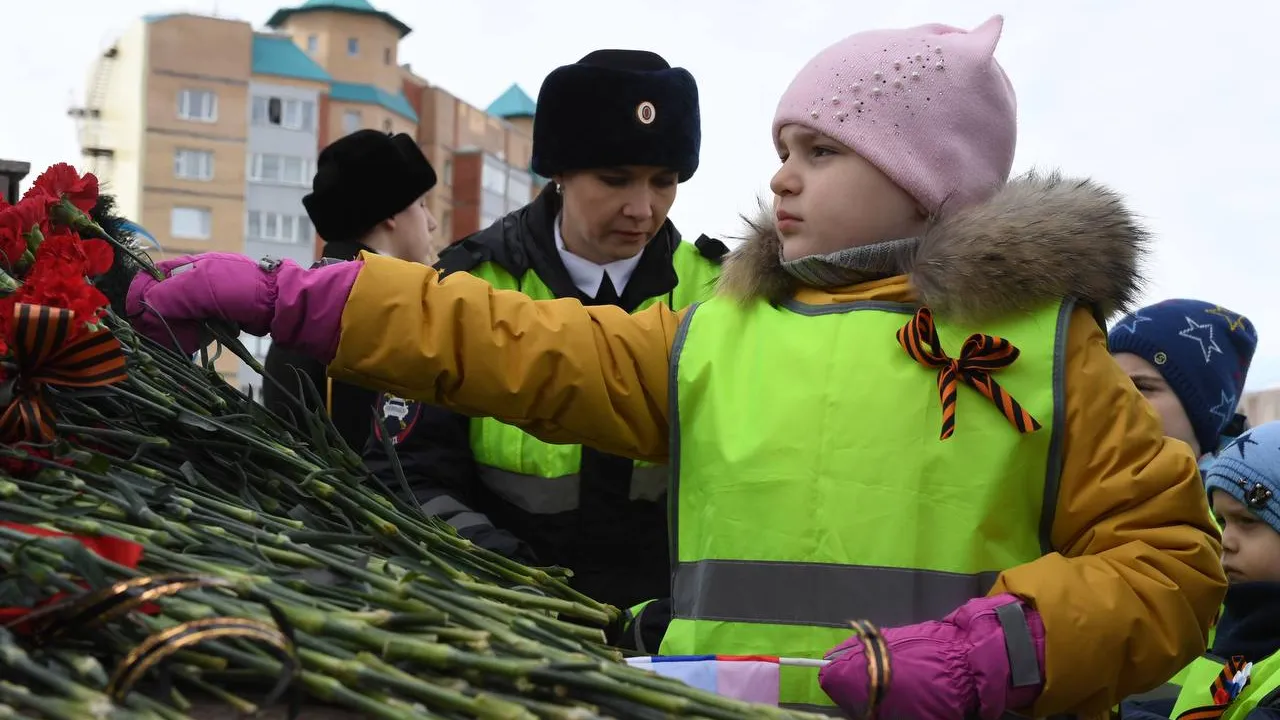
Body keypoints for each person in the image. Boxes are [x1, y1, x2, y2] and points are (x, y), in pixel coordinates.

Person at [124, 15, 1226, 717]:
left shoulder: (1047, 349)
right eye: (783, 151)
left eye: (822, 152)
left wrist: (1005, 651)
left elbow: (1168, 565)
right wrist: (291, 297)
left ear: (929, 180)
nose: (781, 181)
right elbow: (513, 346)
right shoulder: (722, 331)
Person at [360, 49, 726, 622]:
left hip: (674, 639)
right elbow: (405, 474)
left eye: (664, 181)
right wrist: (516, 583)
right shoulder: (463, 286)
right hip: (504, 623)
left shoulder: (721, 295)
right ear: (558, 172)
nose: (643, 207)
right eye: (615, 179)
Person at [1108, 299, 1258, 706]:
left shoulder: (1240, 538)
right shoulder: (1065, 499)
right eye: (1103, 383)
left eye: (1143, 387)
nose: (1115, 400)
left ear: (1201, 413)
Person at [261, 130, 438, 452]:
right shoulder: (370, 304)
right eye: (422, 204)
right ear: (390, 214)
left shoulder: (310, 295)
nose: (432, 222)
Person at [1124, 422, 1280, 720]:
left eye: (1247, 522)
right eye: (1222, 522)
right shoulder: (1245, 631)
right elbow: (1198, 710)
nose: (1226, 541)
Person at [1109, 299, 1257, 463]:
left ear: (1203, 410)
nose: (1115, 402)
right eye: (1107, 388)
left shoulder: (1244, 486)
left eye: (1141, 386)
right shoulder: (1086, 478)